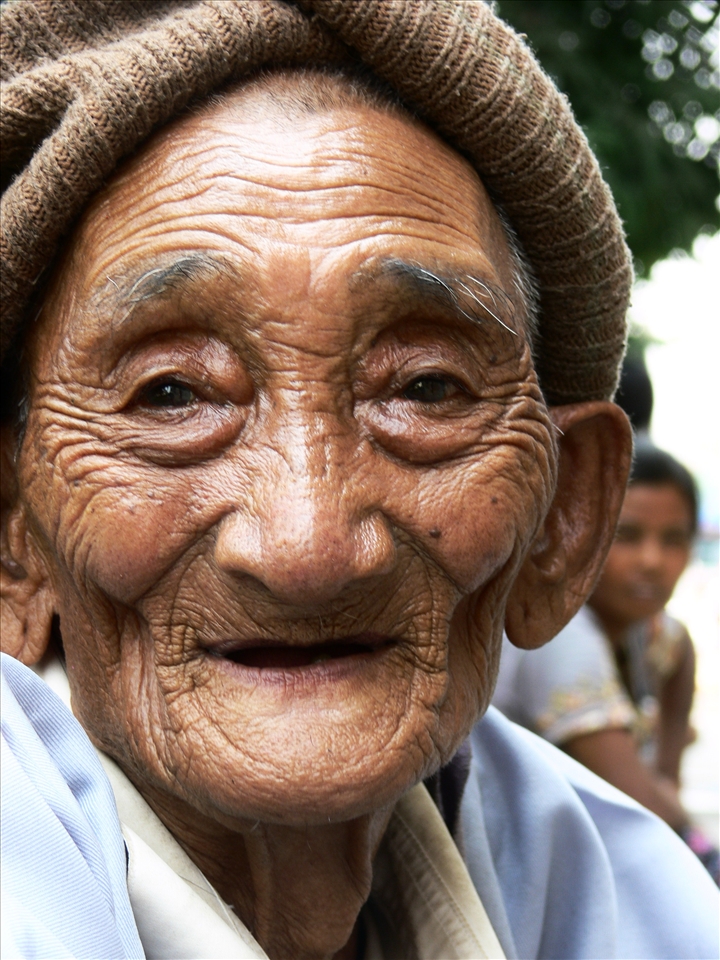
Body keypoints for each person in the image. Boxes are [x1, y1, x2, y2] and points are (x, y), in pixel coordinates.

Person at [1, 3, 717, 959]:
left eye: (424, 388)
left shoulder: (631, 900)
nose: (308, 548)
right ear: (12, 527)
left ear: (563, 516)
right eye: (171, 394)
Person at [493, 443, 719, 880]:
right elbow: (644, 806)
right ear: (582, 533)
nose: (652, 561)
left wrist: (667, 775)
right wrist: (675, 812)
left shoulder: (642, 627)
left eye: (673, 540)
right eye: (627, 535)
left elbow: (681, 648)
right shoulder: (559, 632)